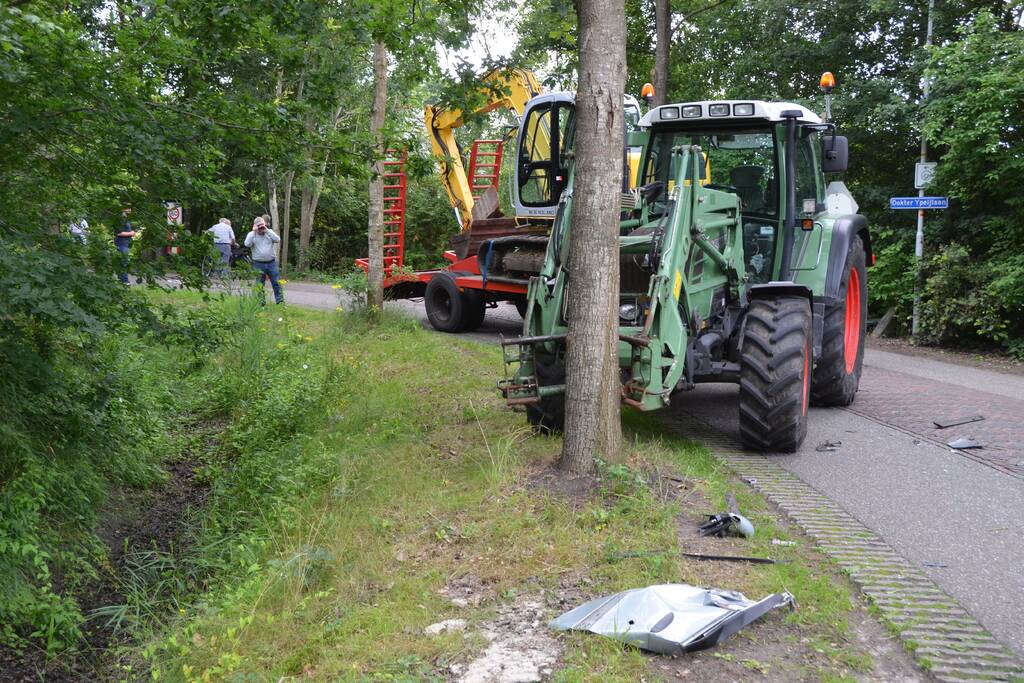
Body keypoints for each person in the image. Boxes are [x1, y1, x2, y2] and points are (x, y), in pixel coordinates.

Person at [244, 217, 283, 304]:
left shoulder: (269, 232)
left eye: (262, 225)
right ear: (255, 226)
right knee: (259, 284)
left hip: (271, 263)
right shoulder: (252, 234)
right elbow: (247, 244)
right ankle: (261, 303)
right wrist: (254, 232)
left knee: (277, 283)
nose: (261, 227)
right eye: (259, 226)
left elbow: (277, 239)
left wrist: (267, 230)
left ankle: (280, 302)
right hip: (258, 264)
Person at [115, 208, 135, 284]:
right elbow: (119, 233)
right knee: (124, 262)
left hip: (126, 244)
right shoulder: (120, 219)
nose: (130, 209)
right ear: (123, 209)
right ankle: (124, 281)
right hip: (121, 244)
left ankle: (121, 279)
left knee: (123, 262)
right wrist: (131, 233)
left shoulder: (126, 219)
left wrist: (132, 232)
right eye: (128, 208)